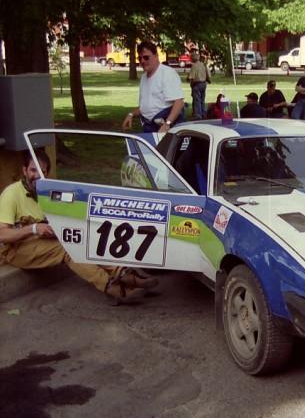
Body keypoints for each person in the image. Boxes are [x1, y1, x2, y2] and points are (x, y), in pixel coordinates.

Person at [0, 151, 157, 304]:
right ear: (24, 170)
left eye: (43, 171)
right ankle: (111, 287)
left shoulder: (46, 191)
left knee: (79, 237)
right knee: (68, 249)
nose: (38, 175)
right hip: (16, 249)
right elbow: (2, 235)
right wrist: (33, 228)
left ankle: (122, 273)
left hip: (40, 241)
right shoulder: (11, 194)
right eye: (33, 170)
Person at [122, 41, 184, 133]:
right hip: (149, 127)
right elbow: (145, 107)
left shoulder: (167, 73)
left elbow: (179, 103)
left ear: (156, 56)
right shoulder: (144, 77)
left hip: (165, 128)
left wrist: (167, 124)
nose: (142, 61)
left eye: (146, 57)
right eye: (140, 58)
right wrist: (131, 114)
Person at [188, 50, 211, 120]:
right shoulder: (203, 65)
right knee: (202, 100)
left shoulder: (194, 66)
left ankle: (198, 115)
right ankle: (203, 113)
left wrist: (191, 85)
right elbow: (208, 76)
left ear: (193, 59)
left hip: (197, 84)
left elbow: (191, 77)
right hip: (203, 84)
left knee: (197, 100)